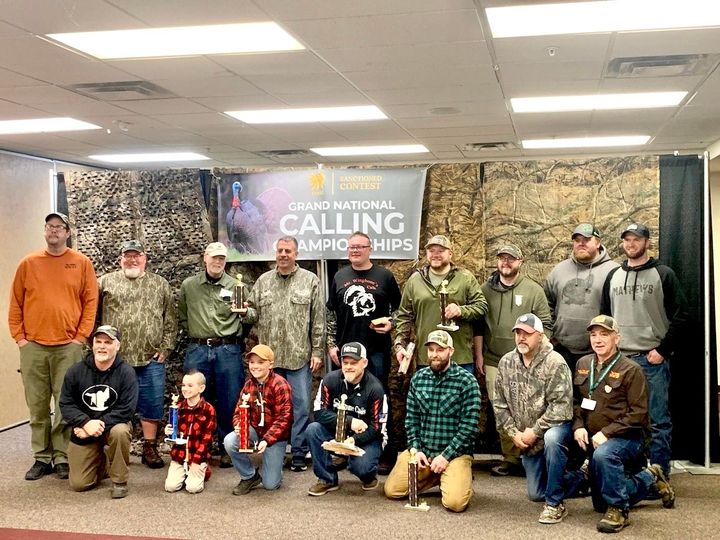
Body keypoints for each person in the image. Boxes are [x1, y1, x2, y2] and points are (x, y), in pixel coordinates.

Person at [9, 212, 98, 481]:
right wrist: (20, 338)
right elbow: (15, 303)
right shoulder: (29, 263)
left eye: (60, 227)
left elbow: (90, 302)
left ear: (68, 233)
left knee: (64, 404)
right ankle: (41, 456)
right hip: (34, 346)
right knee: (36, 404)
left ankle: (61, 456)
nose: (54, 231)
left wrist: (81, 337)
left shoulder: (81, 263)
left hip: (68, 347)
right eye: (50, 227)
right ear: (45, 231)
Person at [573, 315, 675, 533]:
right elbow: (576, 402)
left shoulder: (631, 369)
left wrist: (607, 433)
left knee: (604, 455)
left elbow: (639, 414)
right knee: (599, 504)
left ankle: (619, 510)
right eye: (593, 335)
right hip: (594, 437)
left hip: (627, 438)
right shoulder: (583, 364)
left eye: (604, 334)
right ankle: (650, 476)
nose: (598, 340)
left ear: (617, 338)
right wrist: (578, 425)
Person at [601, 223, 688, 478]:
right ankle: (631, 473)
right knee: (623, 419)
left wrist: (662, 350)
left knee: (658, 421)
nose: (631, 244)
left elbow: (682, 315)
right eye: (627, 240)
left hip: (651, 360)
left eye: (636, 239)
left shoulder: (663, 274)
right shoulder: (614, 276)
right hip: (620, 361)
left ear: (647, 242)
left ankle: (658, 477)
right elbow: (605, 318)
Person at [392, 235, 486, 453]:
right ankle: (425, 458)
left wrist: (461, 310)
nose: (436, 254)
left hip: (460, 359)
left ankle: (462, 462)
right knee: (428, 413)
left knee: (462, 413)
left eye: (441, 250)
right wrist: (399, 346)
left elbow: (481, 306)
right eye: (431, 250)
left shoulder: (465, 278)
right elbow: (403, 316)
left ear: (450, 254)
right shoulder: (415, 281)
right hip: (428, 360)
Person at [241, 236, 325, 472]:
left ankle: (298, 452)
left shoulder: (310, 281)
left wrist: (318, 350)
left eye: (288, 250)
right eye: (280, 250)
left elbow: (318, 319)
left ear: (296, 254)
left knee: (300, 406)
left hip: (298, 356)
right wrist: (241, 312)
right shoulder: (263, 281)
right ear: (275, 253)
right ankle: (272, 449)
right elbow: (252, 314)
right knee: (268, 408)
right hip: (269, 361)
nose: (283, 254)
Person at [98, 240, 177, 469]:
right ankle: (114, 448)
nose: (132, 260)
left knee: (151, 403)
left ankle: (149, 447)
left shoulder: (159, 284)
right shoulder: (105, 282)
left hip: (150, 357)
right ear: (120, 258)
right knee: (112, 404)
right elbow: (92, 316)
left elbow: (170, 319)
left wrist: (166, 347)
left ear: (145, 258)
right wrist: (97, 350)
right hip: (116, 360)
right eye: (127, 256)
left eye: (137, 256)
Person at [326, 230, 401, 472]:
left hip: (376, 351)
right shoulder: (339, 276)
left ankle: (383, 451)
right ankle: (342, 449)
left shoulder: (385, 276)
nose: (355, 250)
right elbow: (331, 315)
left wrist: (392, 323)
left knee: (379, 400)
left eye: (360, 246)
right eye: (351, 247)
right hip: (346, 351)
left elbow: (401, 311)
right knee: (344, 402)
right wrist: (330, 343)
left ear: (370, 249)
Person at [476, 243, 553, 477]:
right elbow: (478, 325)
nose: (505, 263)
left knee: (531, 407)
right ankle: (510, 457)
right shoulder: (485, 290)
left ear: (520, 262)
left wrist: (536, 356)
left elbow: (545, 325)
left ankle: (533, 455)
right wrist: (478, 354)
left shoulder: (533, 290)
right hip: (493, 360)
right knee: (501, 408)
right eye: (501, 258)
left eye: (511, 259)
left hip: (527, 362)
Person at [384, 330, 481, 512]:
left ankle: (454, 475)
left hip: (454, 454)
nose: (434, 355)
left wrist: (445, 457)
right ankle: (437, 476)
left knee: (455, 504)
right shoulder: (418, 379)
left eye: (440, 350)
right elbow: (411, 419)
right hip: (424, 452)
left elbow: (469, 427)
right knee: (392, 490)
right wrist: (415, 449)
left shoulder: (467, 381)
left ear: (451, 351)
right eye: (431, 350)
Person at [492, 314, 574, 524]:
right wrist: (514, 434)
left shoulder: (556, 363)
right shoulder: (506, 362)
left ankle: (555, 504)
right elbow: (499, 404)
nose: (521, 338)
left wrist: (534, 431)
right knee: (535, 494)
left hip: (551, 431)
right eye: (518, 333)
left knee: (553, 439)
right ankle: (584, 478)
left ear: (540, 335)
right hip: (525, 438)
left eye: (527, 334)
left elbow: (562, 408)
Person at [179, 241, 245, 468]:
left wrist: (246, 311)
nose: (217, 262)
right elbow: (183, 316)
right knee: (194, 398)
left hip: (228, 348)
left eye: (222, 258)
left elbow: (250, 315)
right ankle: (199, 445)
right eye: (214, 257)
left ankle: (227, 445)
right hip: (197, 348)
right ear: (204, 258)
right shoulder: (189, 286)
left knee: (230, 399)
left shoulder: (236, 285)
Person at [58, 325, 138, 499]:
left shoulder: (126, 373)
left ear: (117, 346)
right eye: (98, 341)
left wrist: (95, 426)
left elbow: (127, 409)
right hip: (86, 427)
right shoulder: (75, 371)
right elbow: (66, 403)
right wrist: (84, 423)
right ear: (92, 344)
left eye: (108, 342)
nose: (102, 346)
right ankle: (103, 463)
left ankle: (119, 481)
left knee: (120, 431)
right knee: (79, 484)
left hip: (112, 426)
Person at [306, 342, 387, 496]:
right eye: (345, 362)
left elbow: (377, 427)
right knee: (313, 429)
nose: (349, 366)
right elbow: (319, 412)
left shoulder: (376, 389)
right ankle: (327, 479)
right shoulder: (329, 380)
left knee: (362, 467)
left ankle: (368, 475)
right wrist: (350, 421)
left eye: (354, 363)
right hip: (338, 431)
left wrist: (355, 440)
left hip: (367, 437)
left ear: (364, 363)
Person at [544, 223, 619, 373]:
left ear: (598, 242)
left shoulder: (614, 271)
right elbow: (546, 305)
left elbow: (620, 310)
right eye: (577, 240)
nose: (581, 243)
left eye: (586, 239)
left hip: (598, 351)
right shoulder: (559, 271)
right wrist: (551, 335)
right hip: (562, 349)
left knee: (592, 395)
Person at [224, 344, 293, 495]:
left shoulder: (280, 384)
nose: (255, 366)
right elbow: (238, 411)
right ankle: (249, 476)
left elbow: (284, 418)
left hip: (275, 437)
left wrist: (267, 440)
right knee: (230, 441)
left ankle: (276, 462)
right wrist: (238, 425)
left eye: (260, 362)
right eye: (252, 362)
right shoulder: (248, 385)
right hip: (255, 430)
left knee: (270, 485)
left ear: (271, 364)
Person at [164, 370, 217, 494]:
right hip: (180, 455)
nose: (185, 389)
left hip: (197, 456)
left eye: (190, 385)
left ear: (201, 388)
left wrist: (196, 461)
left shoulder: (208, 409)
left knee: (192, 488)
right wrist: (168, 432)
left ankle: (204, 469)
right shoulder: (177, 408)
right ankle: (182, 471)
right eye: (183, 385)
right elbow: (174, 433)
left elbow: (207, 439)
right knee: (170, 487)